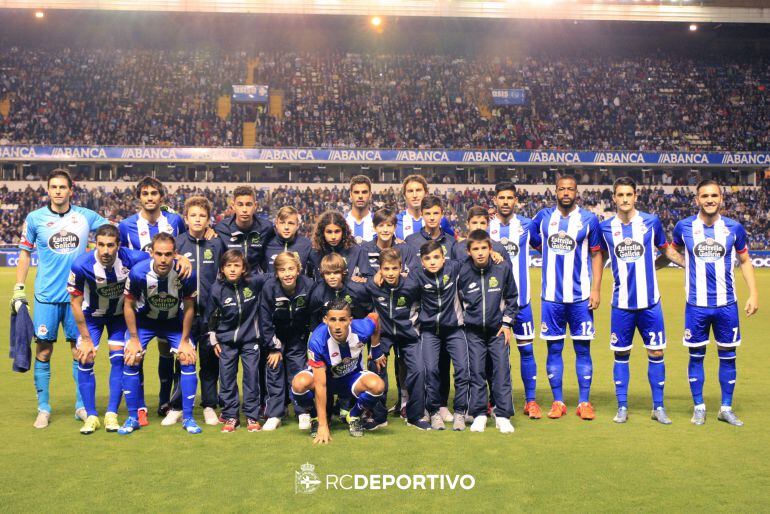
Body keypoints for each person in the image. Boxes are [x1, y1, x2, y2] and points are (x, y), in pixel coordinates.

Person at [12, 168, 109, 429]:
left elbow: (114, 230)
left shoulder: (85, 216)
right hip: (46, 297)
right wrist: (19, 287)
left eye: (62, 187)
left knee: (80, 352)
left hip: (77, 298)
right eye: (53, 187)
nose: (57, 191)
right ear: (48, 190)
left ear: (70, 190)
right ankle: (43, 409)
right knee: (43, 351)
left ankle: (81, 405)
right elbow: (24, 254)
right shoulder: (34, 219)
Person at [668, 179, 759, 426]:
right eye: (704, 196)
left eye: (713, 196)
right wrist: (687, 263)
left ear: (721, 199)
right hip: (696, 305)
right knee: (696, 355)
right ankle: (699, 406)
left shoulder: (734, 228)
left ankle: (725, 408)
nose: (709, 200)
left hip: (727, 305)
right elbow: (672, 250)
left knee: (728, 355)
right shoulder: (684, 227)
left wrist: (754, 293)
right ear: (697, 199)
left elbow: (746, 260)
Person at [598, 177, 683, 424]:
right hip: (621, 304)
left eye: (629, 194)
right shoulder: (605, 228)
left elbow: (665, 250)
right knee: (621, 355)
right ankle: (622, 406)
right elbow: (598, 258)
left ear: (636, 196)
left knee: (656, 352)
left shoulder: (651, 222)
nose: (624, 199)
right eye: (620, 195)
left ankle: (658, 407)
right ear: (613, 198)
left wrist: (688, 264)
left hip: (650, 303)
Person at [532, 174, 603, 421]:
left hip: (581, 297)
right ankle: (558, 402)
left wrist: (596, 289)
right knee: (554, 348)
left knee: (583, 349)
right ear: (555, 191)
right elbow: (533, 242)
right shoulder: (542, 218)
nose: (565, 193)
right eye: (561, 189)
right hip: (551, 297)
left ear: (576, 192)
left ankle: (584, 402)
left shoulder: (589, 219)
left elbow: (596, 255)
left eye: (570, 189)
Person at [67, 224, 149, 434]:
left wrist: (180, 258)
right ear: (95, 244)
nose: (105, 251)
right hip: (91, 317)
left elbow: (159, 256)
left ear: (118, 246)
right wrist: (85, 338)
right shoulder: (81, 264)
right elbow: (75, 303)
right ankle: (92, 415)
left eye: (110, 245)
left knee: (119, 359)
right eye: (101, 245)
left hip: (119, 317)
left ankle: (111, 413)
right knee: (84, 358)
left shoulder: (132, 258)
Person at [118, 176, 187, 422]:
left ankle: (165, 400)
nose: (149, 197)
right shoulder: (126, 226)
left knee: (166, 351)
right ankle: (140, 407)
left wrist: (185, 258)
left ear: (161, 197)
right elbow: (120, 257)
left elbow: (186, 247)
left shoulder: (175, 221)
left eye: (154, 193)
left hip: (170, 299)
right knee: (138, 352)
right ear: (139, 197)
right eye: (145, 193)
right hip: (140, 299)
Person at [120, 233, 200, 435]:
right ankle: (132, 418)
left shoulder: (186, 274)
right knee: (131, 357)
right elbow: (128, 306)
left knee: (188, 358)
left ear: (175, 254)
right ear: (151, 253)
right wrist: (134, 339)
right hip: (145, 323)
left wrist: (184, 341)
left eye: (168, 254)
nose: (163, 259)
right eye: (159, 254)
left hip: (174, 323)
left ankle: (188, 418)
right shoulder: (138, 273)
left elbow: (190, 308)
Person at [164, 196, 228, 427]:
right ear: (186, 219)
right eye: (193, 215)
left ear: (208, 219)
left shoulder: (217, 243)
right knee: (183, 359)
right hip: (184, 314)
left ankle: (209, 405)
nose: (198, 219)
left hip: (211, 315)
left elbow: (225, 275)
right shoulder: (178, 244)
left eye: (202, 216)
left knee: (210, 362)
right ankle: (178, 405)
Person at [290, 299, 384, 443]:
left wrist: (377, 350)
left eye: (342, 320)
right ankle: (315, 418)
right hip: (325, 379)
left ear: (350, 320)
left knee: (378, 386)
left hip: (352, 378)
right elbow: (320, 385)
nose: (338, 326)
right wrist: (323, 425)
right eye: (333, 320)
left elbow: (375, 318)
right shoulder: (317, 340)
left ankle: (353, 416)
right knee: (298, 384)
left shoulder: (362, 329)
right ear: (325, 320)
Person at [487, 184, 542, 419]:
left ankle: (531, 401)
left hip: (522, 301)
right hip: (494, 304)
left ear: (516, 200)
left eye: (510, 198)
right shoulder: (487, 227)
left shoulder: (528, 226)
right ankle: (492, 400)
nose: (506, 201)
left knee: (527, 350)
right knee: (495, 355)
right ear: (495, 200)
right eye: (502, 198)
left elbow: (544, 247)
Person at [459, 230, 517, 433]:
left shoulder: (502, 268)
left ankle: (502, 415)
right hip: (473, 332)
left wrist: (507, 323)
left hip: (497, 331)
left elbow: (512, 297)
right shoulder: (463, 271)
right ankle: (480, 414)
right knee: (476, 372)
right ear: (469, 251)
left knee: (501, 371)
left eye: (484, 248)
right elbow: (456, 299)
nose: (480, 252)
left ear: (490, 249)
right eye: (475, 249)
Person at [364, 248, 428, 430]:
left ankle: (415, 416)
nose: (390, 273)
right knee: (374, 368)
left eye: (394, 268)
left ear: (401, 267)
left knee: (418, 371)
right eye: (386, 269)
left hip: (409, 335)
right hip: (383, 335)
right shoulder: (372, 286)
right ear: (380, 270)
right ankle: (378, 416)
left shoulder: (412, 285)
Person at [412, 240, 470, 431]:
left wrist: (495, 255)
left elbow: (475, 260)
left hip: (454, 329)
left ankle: (460, 412)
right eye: (427, 258)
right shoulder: (417, 275)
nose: (432, 261)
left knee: (462, 369)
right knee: (431, 371)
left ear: (443, 258)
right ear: (422, 261)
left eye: (436, 257)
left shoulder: (454, 268)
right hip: (430, 332)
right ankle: (434, 412)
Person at [208, 250, 268, 433]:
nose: (232, 270)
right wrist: (213, 338)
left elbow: (275, 275)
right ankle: (230, 415)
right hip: (226, 341)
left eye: (237, 266)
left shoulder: (254, 283)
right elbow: (211, 315)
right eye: (228, 266)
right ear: (222, 268)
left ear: (244, 269)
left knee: (251, 378)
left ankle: (251, 415)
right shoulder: (216, 289)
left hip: (251, 340)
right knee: (227, 379)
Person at [258, 252, 315, 431]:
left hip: (298, 337)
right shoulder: (269, 288)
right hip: (275, 338)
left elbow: (314, 313)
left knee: (298, 372)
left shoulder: (309, 285)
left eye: (291, 269)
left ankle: (303, 411)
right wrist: (273, 347)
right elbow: (264, 320)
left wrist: (308, 335)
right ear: (276, 273)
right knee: (274, 371)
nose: (287, 274)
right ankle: (275, 413)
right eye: (282, 270)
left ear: (298, 270)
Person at [214, 185, 274, 273]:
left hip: (256, 283)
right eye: (240, 205)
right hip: (230, 283)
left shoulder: (266, 228)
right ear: (233, 206)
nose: (244, 210)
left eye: (249, 204)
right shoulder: (221, 228)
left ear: (255, 205)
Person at [347, 207, 418, 279]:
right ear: (374, 228)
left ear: (395, 227)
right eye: (381, 225)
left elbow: (414, 277)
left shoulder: (406, 250)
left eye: (389, 225)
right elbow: (360, 278)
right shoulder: (364, 250)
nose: (385, 230)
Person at [395, 174, 454, 240]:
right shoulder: (396, 221)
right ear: (404, 195)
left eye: (418, 190)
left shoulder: (441, 221)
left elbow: (453, 242)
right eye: (410, 191)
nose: (415, 195)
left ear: (426, 193)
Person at [263, 206, 312, 274]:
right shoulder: (267, 244)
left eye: (291, 223)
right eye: (282, 223)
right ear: (276, 224)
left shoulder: (306, 244)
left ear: (297, 225)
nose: (286, 227)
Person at [308, 210, 358, 278]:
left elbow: (366, 277)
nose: (333, 237)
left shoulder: (355, 251)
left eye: (337, 231)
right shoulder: (314, 252)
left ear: (343, 232)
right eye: (329, 232)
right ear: (322, 233)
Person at [405, 195, 456, 260]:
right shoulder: (410, 241)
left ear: (442, 214)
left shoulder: (452, 242)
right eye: (428, 214)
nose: (432, 218)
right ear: (422, 214)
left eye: (435, 213)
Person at [345, 175, 375, 243]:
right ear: (350, 195)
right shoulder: (342, 221)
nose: (360, 196)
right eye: (356, 192)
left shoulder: (378, 221)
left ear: (370, 195)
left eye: (364, 192)